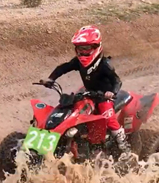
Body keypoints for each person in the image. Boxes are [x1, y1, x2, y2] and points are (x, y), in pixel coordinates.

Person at [44, 25, 130, 153]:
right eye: (80, 48)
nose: (83, 52)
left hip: (103, 97)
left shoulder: (104, 64)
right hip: (88, 93)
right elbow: (63, 68)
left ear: (96, 47)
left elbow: (117, 81)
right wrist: (51, 79)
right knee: (71, 108)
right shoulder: (78, 62)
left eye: (86, 48)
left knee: (108, 117)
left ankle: (123, 146)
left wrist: (111, 92)